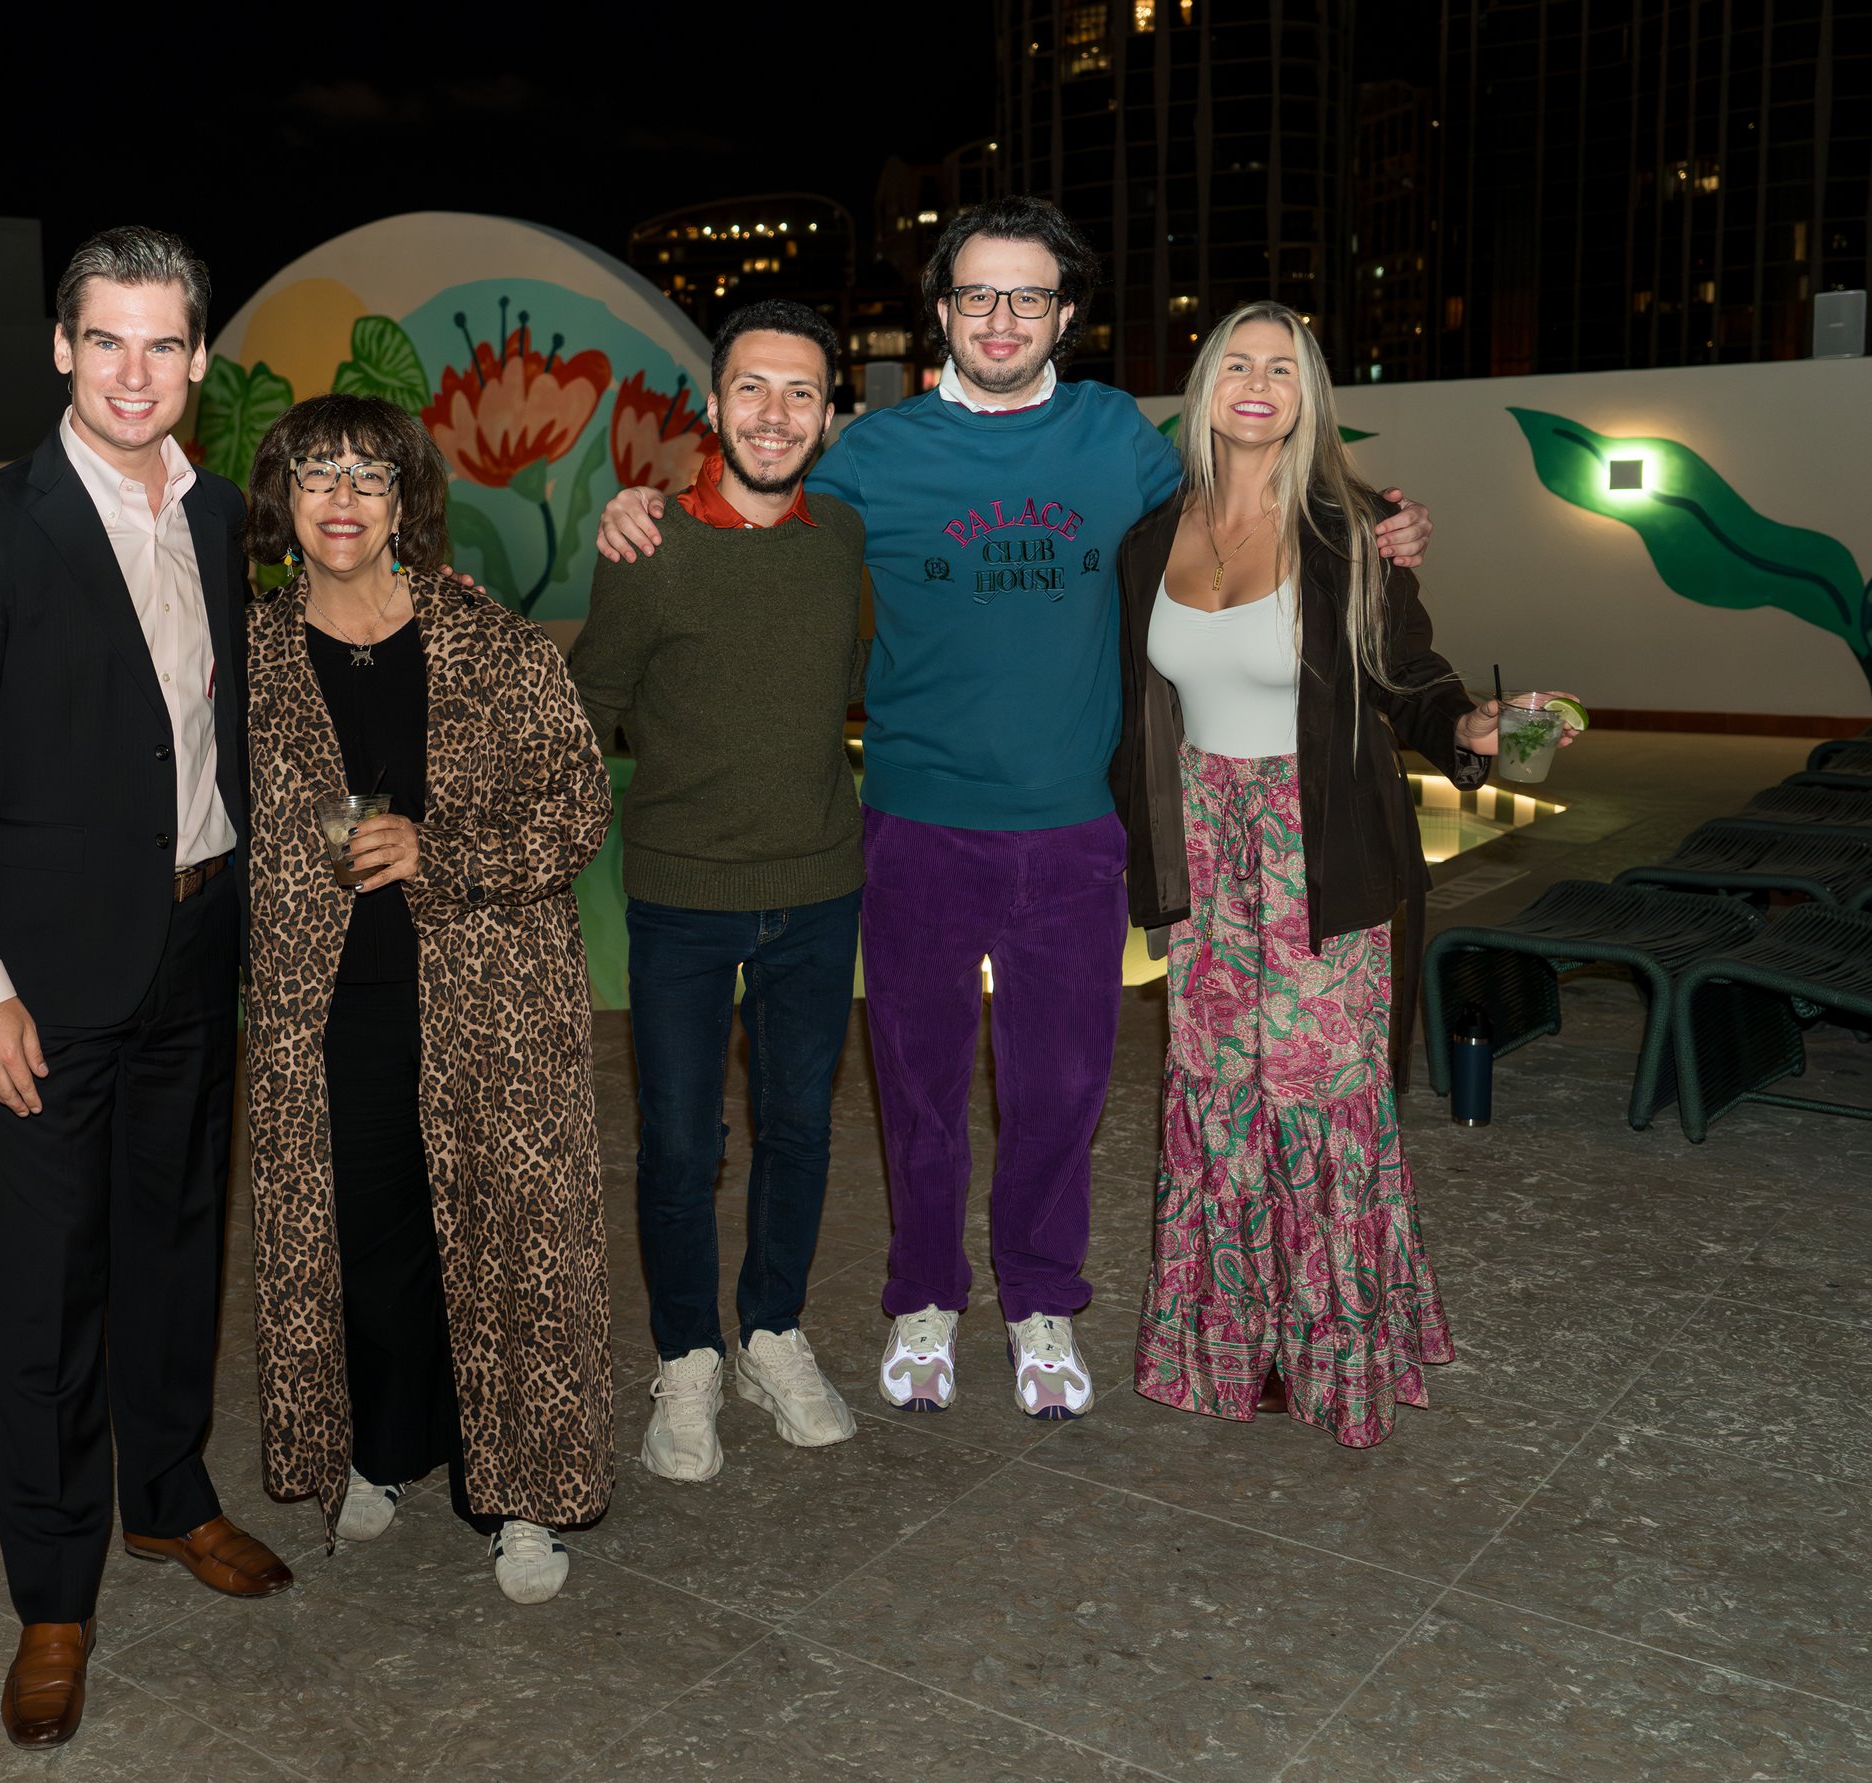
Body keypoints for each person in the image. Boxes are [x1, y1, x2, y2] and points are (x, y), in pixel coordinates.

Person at [598, 196, 1434, 1424]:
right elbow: (755, 500)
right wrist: (645, 507)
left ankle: (1041, 1301)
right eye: (977, 295)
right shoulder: (869, 458)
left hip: (1074, 837)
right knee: (918, 1092)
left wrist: (1376, 517)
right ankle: (923, 1297)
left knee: (1059, 1093)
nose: (1001, 318)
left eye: (1027, 297)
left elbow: (1250, 493)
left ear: (1065, 318)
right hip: (913, 833)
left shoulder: (1118, 440)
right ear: (941, 312)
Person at [0, 227, 290, 1752]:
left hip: (194, 945)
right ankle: (54, 1591)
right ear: (63, 347)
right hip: (45, 982)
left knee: (177, 1246)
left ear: (198, 361)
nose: (136, 372)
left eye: (164, 344)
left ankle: (167, 1498)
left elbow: (210, 726)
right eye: (107, 340)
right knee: (54, 1287)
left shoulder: (219, 512)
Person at [1111, 301, 1571, 1446]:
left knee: (1321, 1103)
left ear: (1309, 396)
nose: (1257, 383)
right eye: (1237, 364)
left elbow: (1410, 678)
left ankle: (1332, 1339)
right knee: (1216, 1102)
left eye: (1284, 367)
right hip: (1205, 855)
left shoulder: (1355, 530)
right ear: (1204, 384)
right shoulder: (1145, 536)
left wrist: (1469, 724)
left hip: (1327, 852)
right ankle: (1233, 1335)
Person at [242, 391, 614, 1605]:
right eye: (316, 476)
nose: (340, 499)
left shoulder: (484, 640)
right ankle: (390, 1448)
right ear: (284, 504)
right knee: (367, 1233)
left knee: (509, 1239)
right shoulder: (246, 657)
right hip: (323, 1003)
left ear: (405, 502)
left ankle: (515, 1493)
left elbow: (576, 809)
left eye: (366, 475)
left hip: (488, 997)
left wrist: (437, 847)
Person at [569, 299, 869, 1482]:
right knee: (679, 1145)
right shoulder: (647, 546)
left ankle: (772, 1332)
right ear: (712, 403)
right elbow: (586, 700)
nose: (775, 413)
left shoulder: (840, 540)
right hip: (683, 900)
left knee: (799, 1130)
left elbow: (841, 675)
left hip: (817, 888)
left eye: (801, 392)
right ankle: (687, 1353)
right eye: (753, 387)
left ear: (831, 416)